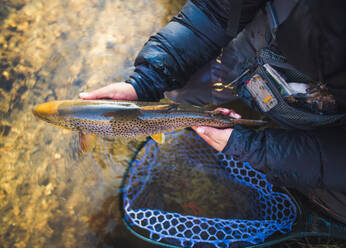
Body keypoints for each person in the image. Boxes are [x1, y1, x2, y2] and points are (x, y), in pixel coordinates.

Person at [80, 0, 346, 224]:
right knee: (179, 89)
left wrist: (255, 149)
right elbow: (213, 10)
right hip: (266, 41)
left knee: (334, 203)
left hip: (332, 116)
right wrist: (145, 81)